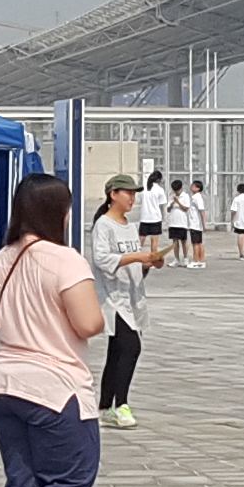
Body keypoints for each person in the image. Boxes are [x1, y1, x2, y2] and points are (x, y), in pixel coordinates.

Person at [0, 173, 109, 487]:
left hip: (5, 381)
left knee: (22, 480)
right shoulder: (65, 259)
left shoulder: (0, 259)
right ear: (58, 212)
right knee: (72, 476)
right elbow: (88, 323)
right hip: (55, 384)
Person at [84, 176, 155, 428]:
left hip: (132, 296)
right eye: (128, 193)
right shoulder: (104, 225)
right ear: (113, 194)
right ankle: (121, 404)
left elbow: (135, 265)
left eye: (134, 194)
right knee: (130, 347)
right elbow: (102, 259)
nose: (132, 199)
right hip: (113, 298)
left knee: (116, 352)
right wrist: (136, 256)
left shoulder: (130, 226)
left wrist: (148, 263)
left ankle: (104, 406)